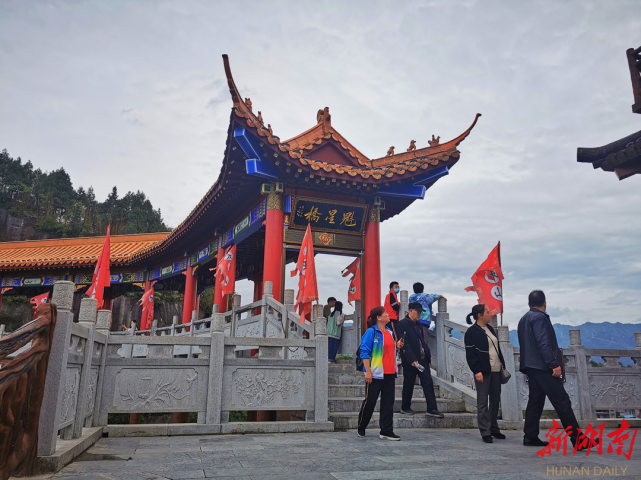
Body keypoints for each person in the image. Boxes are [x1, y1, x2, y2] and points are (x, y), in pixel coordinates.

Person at [518, 290, 593, 450]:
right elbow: (543, 344)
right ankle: (578, 439)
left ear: (529, 303)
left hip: (531, 367)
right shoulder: (539, 318)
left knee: (535, 403)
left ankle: (530, 436)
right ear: (545, 303)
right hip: (543, 367)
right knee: (562, 401)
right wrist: (553, 364)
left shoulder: (523, 319)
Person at [358, 306, 404, 441]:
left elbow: (389, 349)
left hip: (389, 372)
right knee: (370, 401)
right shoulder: (371, 332)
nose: (388, 315)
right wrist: (367, 372)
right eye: (386, 314)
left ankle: (386, 430)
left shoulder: (389, 332)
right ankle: (362, 425)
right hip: (375, 372)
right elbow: (364, 352)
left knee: (388, 402)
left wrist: (397, 345)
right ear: (379, 317)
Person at [464, 304, 506, 443]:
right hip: (483, 371)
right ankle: (485, 431)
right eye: (487, 312)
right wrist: (477, 371)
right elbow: (471, 354)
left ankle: (494, 428)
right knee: (483, 402)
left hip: (496, 370)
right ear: (480, 315)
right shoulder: (472, 331)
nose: (490, 314)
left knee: (495, 401)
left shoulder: (490, 329)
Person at [396, 302, 444, 418]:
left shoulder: (418, 324)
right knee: (409, 383)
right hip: (410, 360)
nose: (420, 314)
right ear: (411, 310)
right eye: (418, 312)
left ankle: (432, 408)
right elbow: (404, 343)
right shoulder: (402, 324)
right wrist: (412, 359)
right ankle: (405, 406)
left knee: (427, 382)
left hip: (422, 359)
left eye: (421, 312)